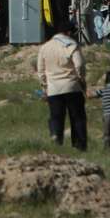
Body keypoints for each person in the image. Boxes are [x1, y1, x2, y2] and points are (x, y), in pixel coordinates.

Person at [36, 17, 87, 151]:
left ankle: (56, 139)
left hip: (53, 89)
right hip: (72, 86)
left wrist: (44, 87)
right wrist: (81, 79)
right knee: (77, 118)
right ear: (69, 33)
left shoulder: (45, 47)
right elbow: (80, 65)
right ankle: (79, 145)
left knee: (56, 117)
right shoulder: (72, 45)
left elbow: (40, 71)